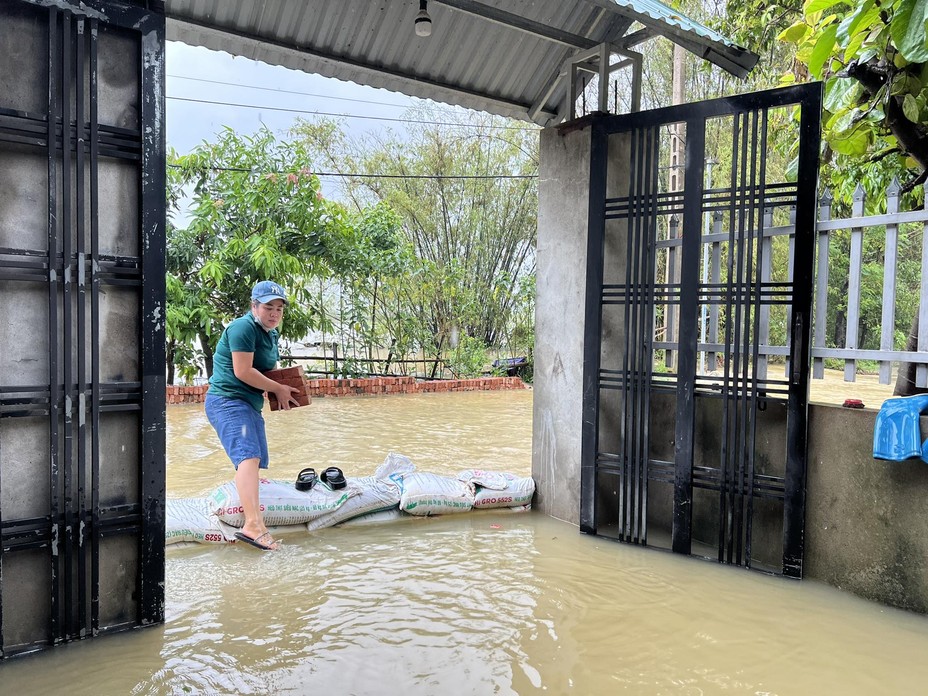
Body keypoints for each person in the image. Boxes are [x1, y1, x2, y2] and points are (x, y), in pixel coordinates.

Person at [205, 280, 301, 550]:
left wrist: (289, 384)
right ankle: (253, 525)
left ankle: (250, 512)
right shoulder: (242, 327)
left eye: (279, 309)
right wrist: (279, 388)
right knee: (248, 456)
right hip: (227, 401)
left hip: (248, 404)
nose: (274, 313)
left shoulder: (270, 333)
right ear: (254, 306)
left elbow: (264, 370)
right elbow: (243, 372)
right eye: (268, 307)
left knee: (254, 459)